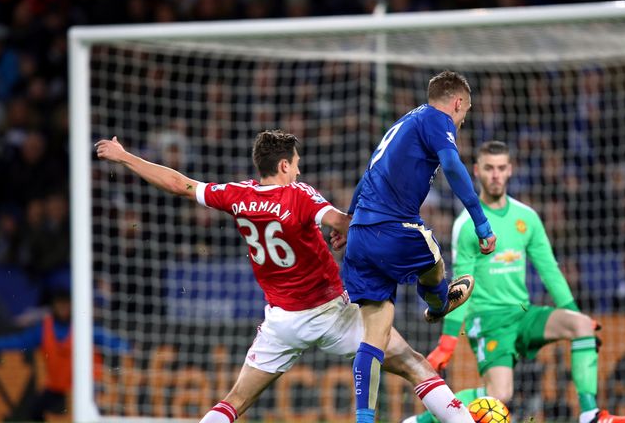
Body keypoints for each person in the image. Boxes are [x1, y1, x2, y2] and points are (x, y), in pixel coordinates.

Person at [96, 130, 471, 423]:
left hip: (282, 322)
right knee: (413, 363)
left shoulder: (236, 195)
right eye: (296, 164)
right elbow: (345, 222)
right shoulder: (299, 195)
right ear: (283, 167)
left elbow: (181, 184)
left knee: (235, 401)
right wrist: (348, 230)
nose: (299, 170)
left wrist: (125, 156)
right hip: (333, 312)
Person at [414, 141, 625, 423]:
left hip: (522, 312)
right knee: (499, 397)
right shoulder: (467, 224)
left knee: (581, 325)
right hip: (489, 319)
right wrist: (447, 342)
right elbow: (459, 288)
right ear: (477, 171)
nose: (496, 175)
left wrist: (575, 311)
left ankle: (590, 414)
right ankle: (420, 422)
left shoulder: (527, 217)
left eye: (502, 168)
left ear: (510, 171)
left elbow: (550, 271)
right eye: (489, 168)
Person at [344, 70, 497, 423]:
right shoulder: (435, 118)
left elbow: (369, 174)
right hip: (393, 226)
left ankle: (364, 419)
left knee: (375, 335)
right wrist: (481, 220)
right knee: (435, 261)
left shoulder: (404, 123)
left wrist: (350, 219)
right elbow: (453, 166)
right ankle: (439, 301)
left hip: (361, 236)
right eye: (463, 115)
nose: (459, 123)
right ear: (457, 103)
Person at [0, 287, 131, 421]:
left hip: (86, 384)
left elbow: (107, 339)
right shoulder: (45, 328)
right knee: (35, 411)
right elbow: (21, 341)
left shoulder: (83, 325)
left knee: (92, 412)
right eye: (59, 305)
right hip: (58, 384)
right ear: (54, 306)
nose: (63, 309)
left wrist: (127, 347)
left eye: (66, 305)